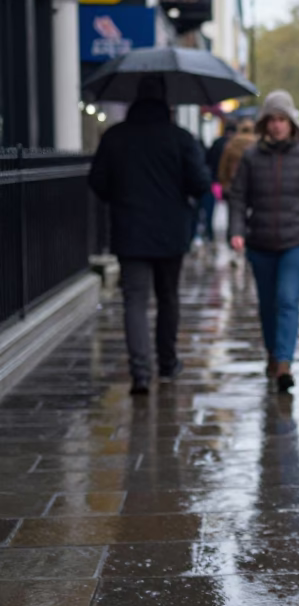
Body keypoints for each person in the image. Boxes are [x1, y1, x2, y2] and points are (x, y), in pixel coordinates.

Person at [88, 76, 211, 395]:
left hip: (130, 230)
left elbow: (98, 182)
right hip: (171, 232)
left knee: (135, 301)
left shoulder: (115, 137)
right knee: (168, 298)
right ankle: (167, 363)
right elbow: (200, 184)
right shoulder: (180, 138)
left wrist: (121, 194)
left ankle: (140, 373)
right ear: (165, 102)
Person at [228, 91, 299, 392]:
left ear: (291, 123)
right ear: (264, 124)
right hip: (259, 242)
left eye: (282, 120)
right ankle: (273, 354)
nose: (277, 125)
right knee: (267, 304)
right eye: (272, 120)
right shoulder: (251, 157)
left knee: (287, 300)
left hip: (297, 241)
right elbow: (238, 198)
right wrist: (236, 230)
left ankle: (284, 362)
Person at [217, 118, 257, 198]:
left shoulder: (231, 144)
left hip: (234, 181)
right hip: (255, 183)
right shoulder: (257, 143)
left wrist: (224, 183)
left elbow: (223, 166)